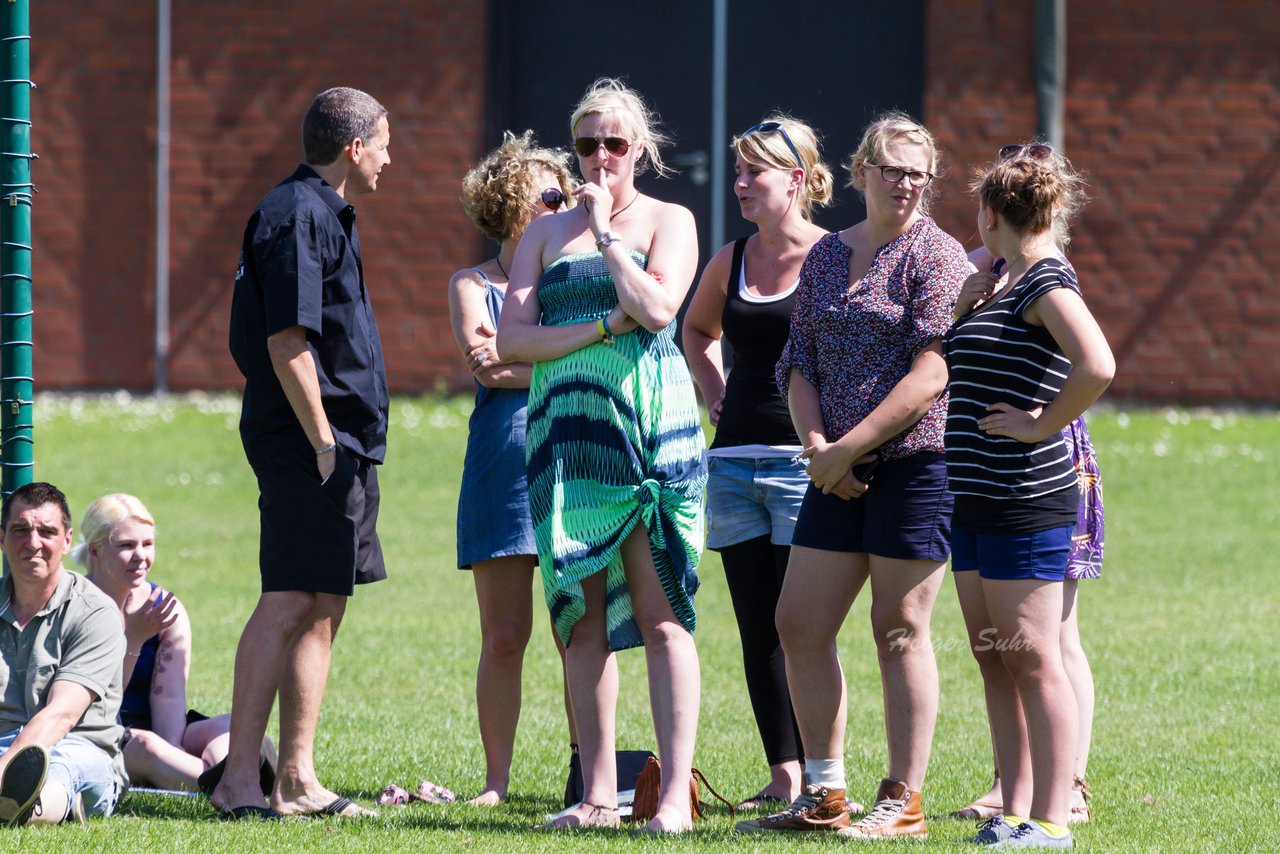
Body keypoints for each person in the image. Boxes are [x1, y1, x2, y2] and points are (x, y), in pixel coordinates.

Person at [737, 112, 969, 838]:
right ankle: (825, 795)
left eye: (917, 174)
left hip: (915, 464)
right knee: (798, 622)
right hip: (831, 468)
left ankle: (903, 801)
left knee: (899, 628)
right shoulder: (829, 256)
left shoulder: (939, 256)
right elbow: (797, 360)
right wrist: (817, 447)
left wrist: (850, 447)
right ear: (862, 169)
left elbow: (933, 372)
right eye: (892, 168)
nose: (904, 183)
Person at [498, 78, 706, 833]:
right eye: (586, 143)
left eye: (615, 143)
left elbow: (657, 309)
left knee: (660, 620)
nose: (600, 157)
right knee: (580, 625)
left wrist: (609, 234)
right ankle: (597, 795)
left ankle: (675, 796)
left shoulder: (669, 220)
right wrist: (599, 330)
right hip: (567, 440)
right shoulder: (542, 236)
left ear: (640, 148)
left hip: (647, 434)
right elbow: (512, 341)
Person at [220, 86, 392, 821]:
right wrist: (325, 443)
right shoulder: (298, 217)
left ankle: (295, 778)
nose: (391, 157)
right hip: (310, 441)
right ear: (354, 147)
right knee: (291, 595)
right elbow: (286, 342)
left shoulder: (321, 213)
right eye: (386, 142)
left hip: (337, 441)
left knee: (323, 599)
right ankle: (238, 782)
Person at [944, 143, 1113, 847]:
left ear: (989, 213)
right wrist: (963, 303)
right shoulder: (1006, 278)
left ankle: (1048, 819)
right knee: (995, 651)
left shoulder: (1046, 281)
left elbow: (1098, 363)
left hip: (1025, 497)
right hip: (976, 495)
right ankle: (1012, 805)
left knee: (1034, 654)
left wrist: (1043, 423)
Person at [682, 115, 837, 811]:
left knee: (802, 626)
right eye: (738, 171)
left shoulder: (837, 256)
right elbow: (696, 328)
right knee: (757, 627)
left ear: (797, 180)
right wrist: (713, 390)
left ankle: (826, 778)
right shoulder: (733, 257)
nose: (740, 184)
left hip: (804, 468)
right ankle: (785, 776)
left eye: (755, 172)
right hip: (734, 466)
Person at [450, 130, 577, 806]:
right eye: (548, 194)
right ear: (508, 204)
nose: (563, 202)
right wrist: (569, 360)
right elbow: (486, 365)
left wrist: (525, 360)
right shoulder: (473, 284)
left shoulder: (573, 283)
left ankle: (589, 774)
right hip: (502, 465)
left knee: (575, 628)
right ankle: (495, 783)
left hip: (573, 456)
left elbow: (508, 364)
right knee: (504, 637)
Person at [72, 494, 276, 793]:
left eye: (147, 544)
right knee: (146, 746)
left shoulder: (164, 607)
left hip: (155, 727)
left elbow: (168, 698)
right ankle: (233, 782)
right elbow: (98, 698)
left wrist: (172, 750)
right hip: (97, 727)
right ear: (95, 550)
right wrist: (135, 640)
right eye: (127, 546)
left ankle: (229, 771)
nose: (140, 555)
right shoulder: (76, 603)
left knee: (229, 726)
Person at [0, 482, 126, 826]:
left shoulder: (95, 613)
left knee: (59, 768)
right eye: (20, 530)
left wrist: (5, 769)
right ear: (2, 537)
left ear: (68, 540)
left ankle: (24, 807)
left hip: (76, 747)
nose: (33, 543)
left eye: (47, 532)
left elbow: (61, 715)